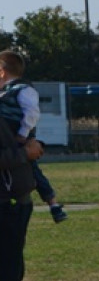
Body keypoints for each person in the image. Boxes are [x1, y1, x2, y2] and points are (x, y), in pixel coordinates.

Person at [0, 106, 49, 281]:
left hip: (14, 205)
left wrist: (34, 145)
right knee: (6, 279)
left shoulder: (8, 107)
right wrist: (23, 153)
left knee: (10, 278)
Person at [0, 50, 68, 223]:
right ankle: (51, 204)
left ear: (2, 72)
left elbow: (31, 113)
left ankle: (52, 202)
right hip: (12, 135)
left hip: (21, 134)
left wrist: (23, 134)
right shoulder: (7, 92)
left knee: (32, 169)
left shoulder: (24, 90)